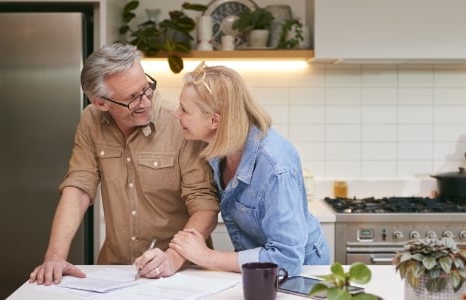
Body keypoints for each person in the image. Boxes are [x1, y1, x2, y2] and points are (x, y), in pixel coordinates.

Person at [29, 43, 220, 285]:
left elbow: (204, 204)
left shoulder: (181, 124)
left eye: (146, 88)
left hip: (180, 272)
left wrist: (172, 258)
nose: (146, 101)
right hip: (115, 270)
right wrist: (55, 256)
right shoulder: (91, 120)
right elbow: (79, 186)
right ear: (101, 103)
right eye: (132, 98)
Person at [170, 62, 330, 275]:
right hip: (259, 272)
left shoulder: (275, 166)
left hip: (303, 272)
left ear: (214, 120)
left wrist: (206, 257)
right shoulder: (218, 149)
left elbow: (287, 259)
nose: (176, 114)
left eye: (184, 109)